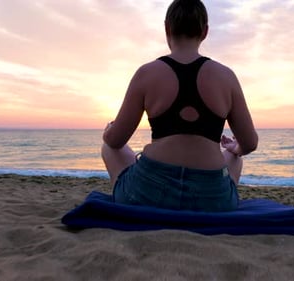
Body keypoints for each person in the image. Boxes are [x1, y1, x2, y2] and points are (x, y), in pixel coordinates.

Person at [102, 0, 258, 212]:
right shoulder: (226, 76)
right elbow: (249, 143)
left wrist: (109, 132)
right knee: (233, 156)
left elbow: (115, 141)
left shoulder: (146, 74)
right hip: (212, 200)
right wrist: (235, 148)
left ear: (167, 28)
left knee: (108, 147)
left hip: (149, 194)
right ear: (204, 32)